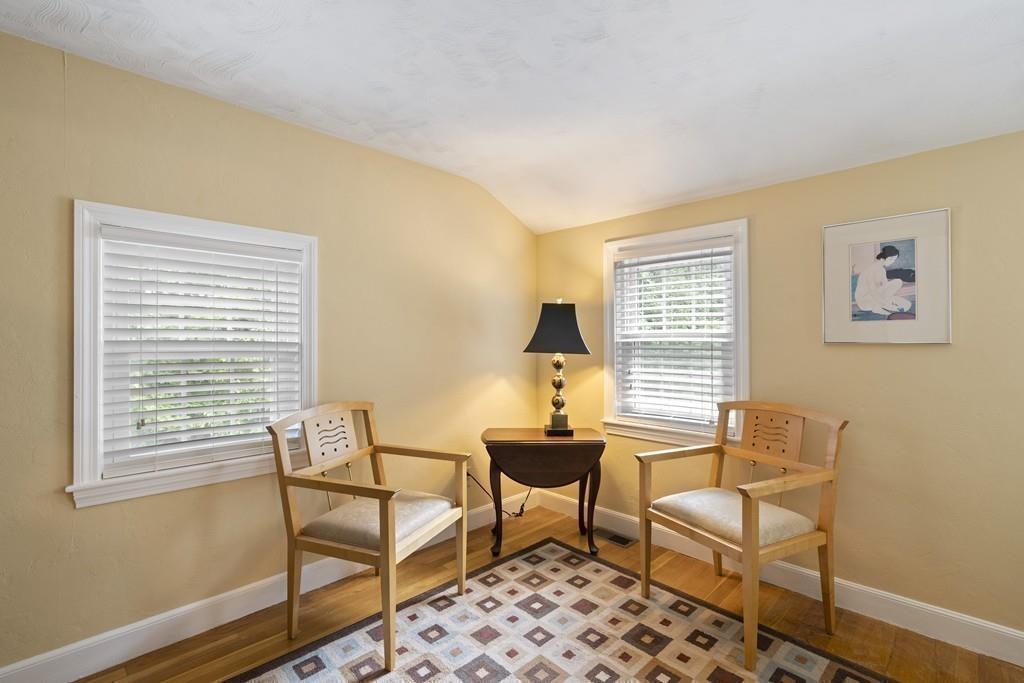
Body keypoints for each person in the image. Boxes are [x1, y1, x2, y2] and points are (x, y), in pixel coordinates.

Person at [854, 245, 911, 316]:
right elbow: (872, 290)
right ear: (883, 257)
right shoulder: (872, 269)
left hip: (877, 297)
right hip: (865, 300)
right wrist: (885, 303)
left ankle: (882, 306)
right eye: (891, 259)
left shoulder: (882, 270)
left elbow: (885, 287)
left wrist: (890, 301)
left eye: (894, 260)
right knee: (897, 302)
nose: (892, 262)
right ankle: (879, 307)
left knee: (907, 304)